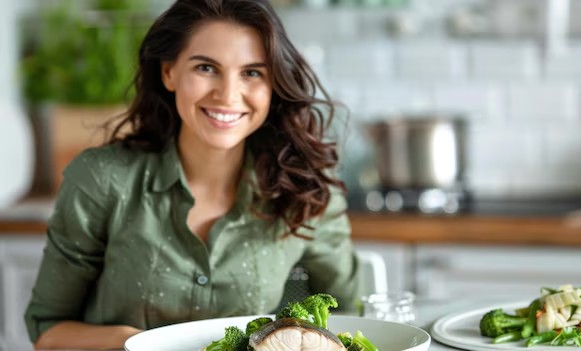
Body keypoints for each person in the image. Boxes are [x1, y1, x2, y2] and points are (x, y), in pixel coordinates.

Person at [23, 0, 360, 349]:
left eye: (252, 72)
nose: (228, 95)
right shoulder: (101, 179)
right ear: (169, 72)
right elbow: (49, 333)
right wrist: (142, 343)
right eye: (206, 68)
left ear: (274, 85)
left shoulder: (306, 193)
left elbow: (355, 319)